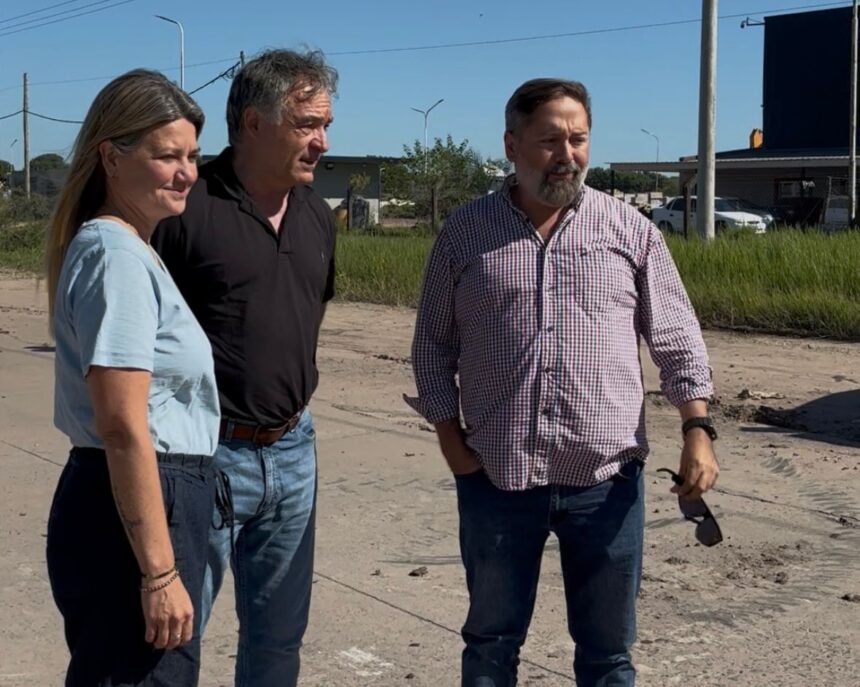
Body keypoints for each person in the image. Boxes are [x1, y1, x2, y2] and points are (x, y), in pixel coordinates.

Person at [407, 78, 720, 687]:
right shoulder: (466, 233)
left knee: (608, 655)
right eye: (550, 140)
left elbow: (677, 337)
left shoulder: (629, 231)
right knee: (491, 644)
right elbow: (432, 346)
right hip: (497, 478)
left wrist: (697, 430)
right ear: (511, 144)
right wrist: (450, 440)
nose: (567, 154)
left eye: (578, 139)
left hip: (606, 484)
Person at [152, 48, 337, 687]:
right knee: (172, 641)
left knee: (278, 643)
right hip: (201, 456)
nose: (322, 141)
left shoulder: (316, 215)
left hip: (293, 450)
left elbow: (303, 319)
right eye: (307, 124)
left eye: (325, 125)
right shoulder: (184, 208)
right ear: (254, 123)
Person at [45, 69, 219, 686]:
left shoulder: (128, 248)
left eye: (192, 156)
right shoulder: (115, 255)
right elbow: (121, 425)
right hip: (137, 503)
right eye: (167, 155)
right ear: (111, 158)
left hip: (138, 497)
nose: (186, 172)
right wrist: (159, 573)